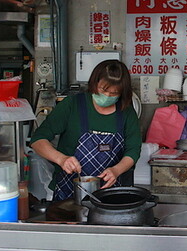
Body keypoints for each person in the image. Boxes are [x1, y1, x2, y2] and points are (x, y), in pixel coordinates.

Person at [30, 60, 142, 201]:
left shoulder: (126, 112)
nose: (107, 96)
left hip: (109, 194)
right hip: (67, 193)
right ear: (94, 83)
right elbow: (38, 139)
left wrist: (116, 170)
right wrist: (62, 159)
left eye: (114, 93)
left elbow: (133, 150)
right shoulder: (73, 105)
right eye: (103, 89)